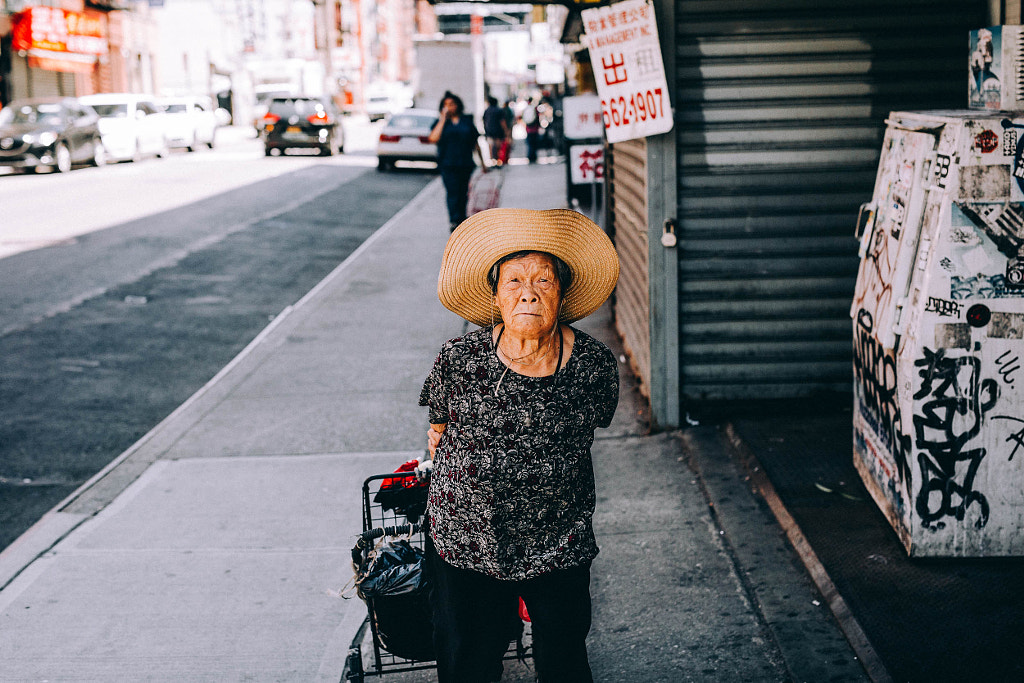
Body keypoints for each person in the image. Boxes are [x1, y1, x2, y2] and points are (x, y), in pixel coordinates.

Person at [418, 208, 621, 683]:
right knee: (469, 658)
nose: (528, 291)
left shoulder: (593, 364)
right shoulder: (459, 358)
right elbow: (439, 425)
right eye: (513, 280)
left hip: (558, 538)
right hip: (469, 539)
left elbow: (596, 420)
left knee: (565, 656)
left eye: (543, 281)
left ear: (562, 292)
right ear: (495, 296)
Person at [428, 91, 487, 231]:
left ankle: (462, 218)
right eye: (446, 105)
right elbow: (433, 138)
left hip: (465, 163)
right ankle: (454, 221)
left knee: (463, 192)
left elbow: (475, 143)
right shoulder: (441, 123)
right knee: (452, 192)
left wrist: (483, 163)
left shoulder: (466, 121)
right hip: (448, 165)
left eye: (452, 104)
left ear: (458, 105)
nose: (449, 107)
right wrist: (443, 119)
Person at [482, 96, 509, 166]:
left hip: (489, 131)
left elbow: (484, 121)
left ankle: (492, 160)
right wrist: (506, 131)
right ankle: (497, 160)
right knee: (498, 146)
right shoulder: (499, 110)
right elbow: (502, 121)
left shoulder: (487, 110)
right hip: (498, 131)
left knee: (490, 146)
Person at [522, 96, 541, 164]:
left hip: (528, 129)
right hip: (535, 129)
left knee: (529, 143)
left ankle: (530, 156)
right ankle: (534, 156)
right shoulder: (534, 108)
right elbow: (538, 118)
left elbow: (523, 119)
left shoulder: (525, 109)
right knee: (534, 143)